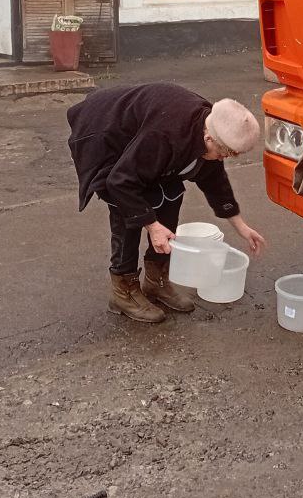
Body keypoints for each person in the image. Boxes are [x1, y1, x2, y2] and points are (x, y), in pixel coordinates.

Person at [67, 83, 266, 323]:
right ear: (208, 136)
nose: (225, 158)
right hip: (107, 133)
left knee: (170, 196)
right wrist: (152, 225)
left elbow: (215, 182)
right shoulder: (164, 135)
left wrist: (241, 226)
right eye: (225, 152)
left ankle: (156, 281)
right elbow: (120, 181)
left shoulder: (209, 131)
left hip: (147, 140)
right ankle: (123, 290)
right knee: (128, 209)